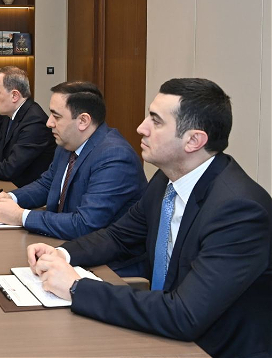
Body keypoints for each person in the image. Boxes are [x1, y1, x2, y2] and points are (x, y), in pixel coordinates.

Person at [26, 78, 272, 358]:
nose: (141, 128)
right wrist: (62, 254)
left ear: (193, 140)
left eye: (155, 121)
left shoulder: (240, 211)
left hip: (210, 348)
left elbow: (184, 315)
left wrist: (76, 288)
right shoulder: (166, 180)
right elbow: (118, 236)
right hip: (164, 331)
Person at [0, 81, 146, 239]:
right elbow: (47, 185)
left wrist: (20, 216)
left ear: (83, 121)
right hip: (63, 241)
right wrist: (10, 198)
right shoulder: (68, 143)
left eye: (56, 116)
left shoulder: (115, 157)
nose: (49, 123)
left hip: (104, 256)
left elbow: (85, 224)